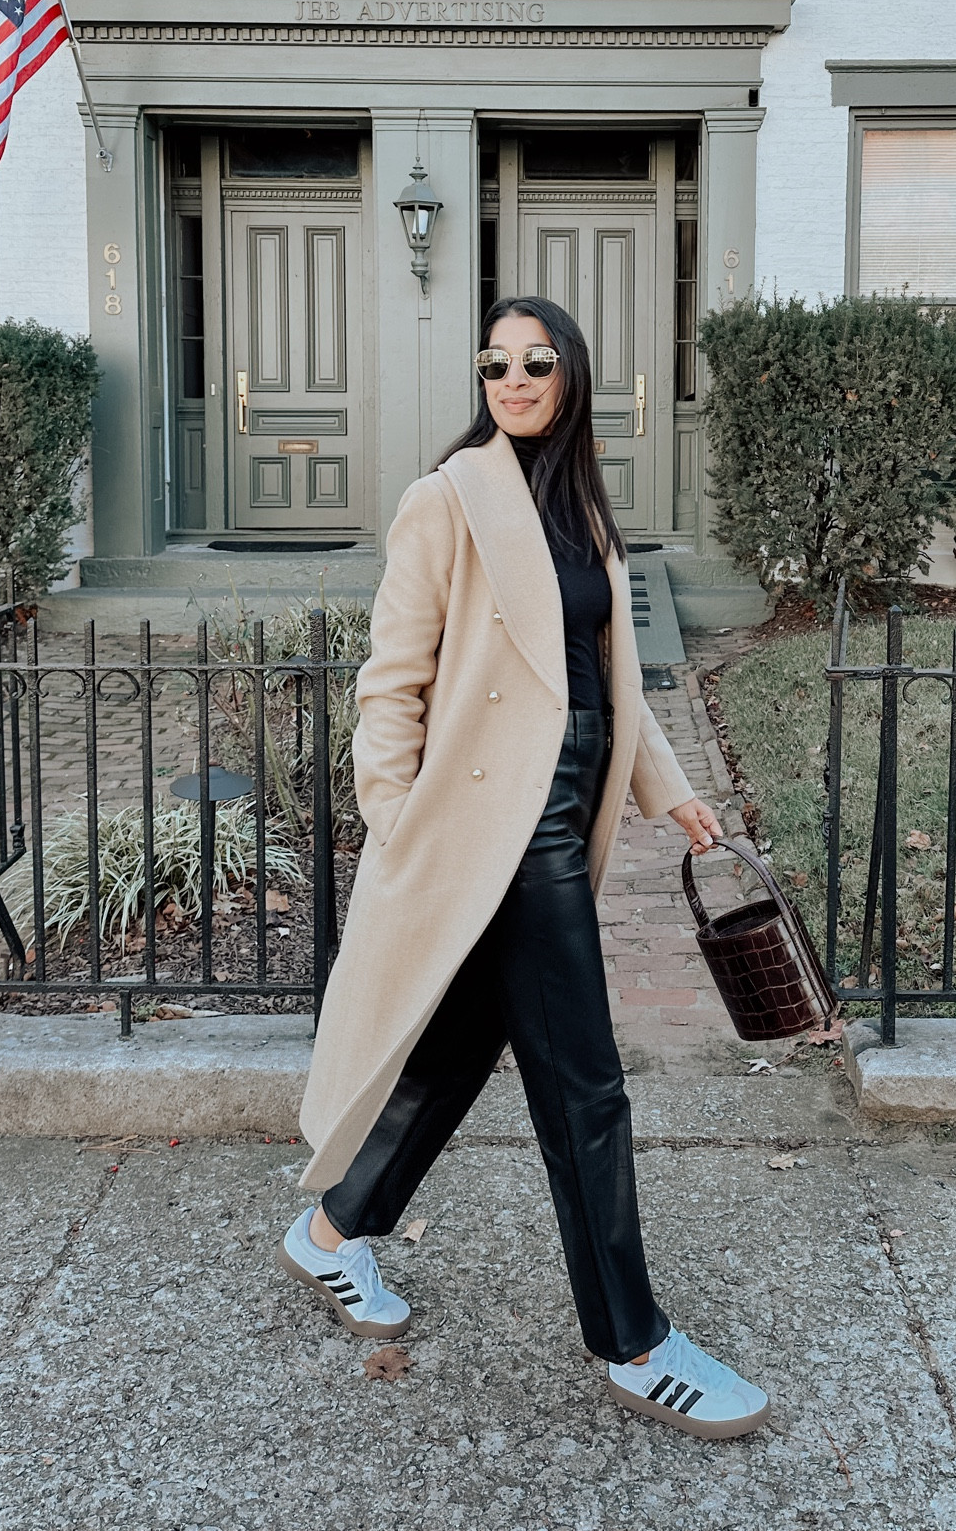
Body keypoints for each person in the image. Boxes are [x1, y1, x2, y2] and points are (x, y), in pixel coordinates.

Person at [279, 295, 770, 1440]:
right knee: (586, 1084)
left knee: (460, 1049)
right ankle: (634, 1341)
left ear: (571, 374)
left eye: (535, 361)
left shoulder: (580, 502)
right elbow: (389, 681)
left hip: (564, 805)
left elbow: (605, 678)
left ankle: (332, 1230)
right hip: (497, 828)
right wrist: (396, 821)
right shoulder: (448, 497)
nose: (512, 378)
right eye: (494, 362)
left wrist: (670, 788)